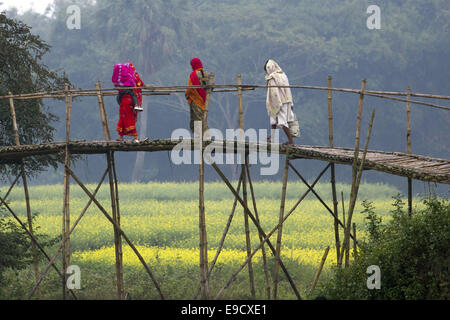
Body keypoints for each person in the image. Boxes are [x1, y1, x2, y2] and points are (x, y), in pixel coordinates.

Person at [264, 59, 295, 146]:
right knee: (273, 119)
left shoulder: (273, 77)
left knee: (282, 121)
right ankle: (273, 137)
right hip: (287, 99)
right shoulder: (283, 75)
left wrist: (276, 103)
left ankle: (291, 141)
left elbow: (274, 92)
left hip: (279, 101)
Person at [115, 61, 140, 142]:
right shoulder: (129, 90)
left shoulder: (122, 91)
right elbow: (134, 97)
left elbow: (118, 98)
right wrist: (135, 105)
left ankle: (130, 137)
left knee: (124, 120)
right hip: (126, 106)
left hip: (123, 106)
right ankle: (134, 137)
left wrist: (120, 104)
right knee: (127, 120)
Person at [185, 57, 209, 134]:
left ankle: (201, 136)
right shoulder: (206, 73)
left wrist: (187, 95)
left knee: (197, 118)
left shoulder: (193, 74)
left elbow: (190, 88)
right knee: (203, 118)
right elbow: (211, 86)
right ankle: (205, 135)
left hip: (195, 100)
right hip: (205, 100)